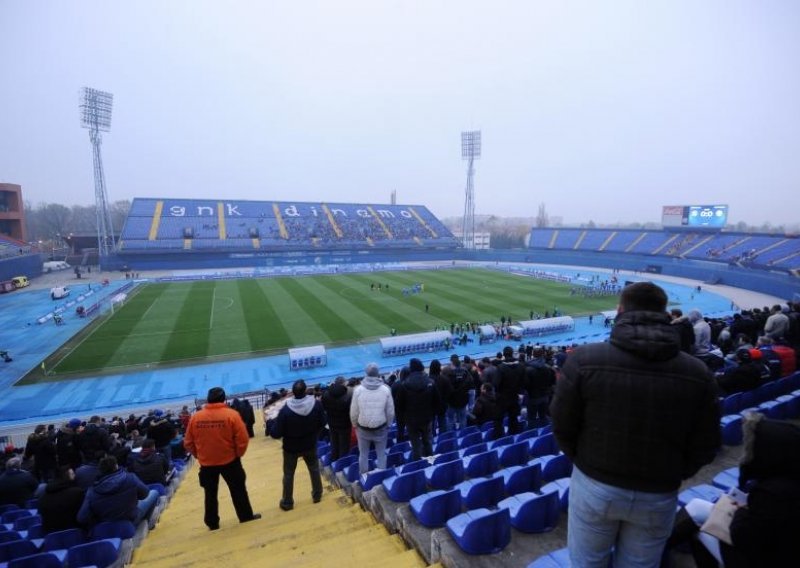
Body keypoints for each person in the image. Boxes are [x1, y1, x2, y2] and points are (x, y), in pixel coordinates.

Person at [551, 281, 721, 568]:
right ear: (667, 314)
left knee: (587, 562)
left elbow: (562, 425)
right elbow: (706, 444)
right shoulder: (698, 372)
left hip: (595, 482)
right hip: (659, 490)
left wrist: (585, 461)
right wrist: (673, 473)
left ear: (619, 311)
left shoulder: (584, 360)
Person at [184, 386, 261, 530]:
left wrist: (199, 455)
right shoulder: (231, 415)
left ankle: (212, 523)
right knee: (238, 490)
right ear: (224, 399)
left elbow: (188, 443)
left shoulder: (196, 417)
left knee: (210, 494)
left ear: (208, 400)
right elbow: (243, 439)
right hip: (230, 461)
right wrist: (238, 454)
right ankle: (245, 517)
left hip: (207, 464)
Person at [269, 380, 326, 511]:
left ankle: (287, 502)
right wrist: (314, 434)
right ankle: (317, 495)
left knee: (289, 474)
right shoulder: (316, 405)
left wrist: (272, 423)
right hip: (310, 444)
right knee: (314, 469)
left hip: (291, 448)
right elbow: (323, 422)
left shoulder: (285, 411)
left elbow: (276, 434)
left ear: (293, 393)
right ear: (305, 391)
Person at [77, 455, 159, 527]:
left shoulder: (91, 492)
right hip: (131, 520)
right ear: (116, 466)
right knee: (154, 492)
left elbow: (82, 518)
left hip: (107, 526)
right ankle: (147, 524)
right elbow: (145, 494)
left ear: (101, 470)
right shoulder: (131, 478)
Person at [350, 363, 395, 474]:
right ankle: (381, 476)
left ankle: (364, 476)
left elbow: (354, 412)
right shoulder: (385, 389)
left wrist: (354, 424)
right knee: (381, 454)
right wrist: (388, 424)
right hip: (380, 428)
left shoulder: (358, 390)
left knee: (363, 455)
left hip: (364, 429)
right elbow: (390, 412)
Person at [395, 358, 440, 461]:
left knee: (416, 445)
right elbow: (437, 401)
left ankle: (418, 465)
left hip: (412, 421)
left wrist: (405, 417)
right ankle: (430, 462)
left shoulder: (404, 385)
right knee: (427, 442)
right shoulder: (430, 382)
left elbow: (398, 405)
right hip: (427, 418)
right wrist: (431, 414)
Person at [38, 465, 87, 534]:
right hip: (75, 533)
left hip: (52, 536)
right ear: (66, 477)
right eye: (72, 474)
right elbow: (83, 517)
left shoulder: (43, 497)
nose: (75, 476)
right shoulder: (77, 493)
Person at [321, 376, 352, 461]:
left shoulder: (326, 394)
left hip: (332, 423)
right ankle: (342, 463)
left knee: (334, 443)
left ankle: (334, 459)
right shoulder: (348, 396)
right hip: (345, 424)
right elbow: (350, 411)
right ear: (343, 384)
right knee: (344, 445)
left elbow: (324, 408)